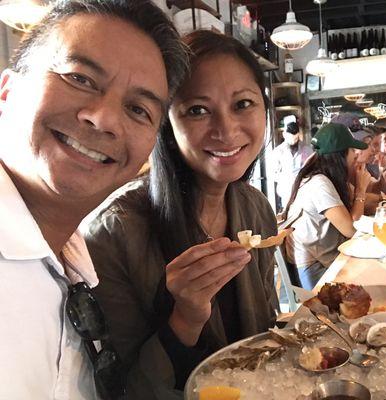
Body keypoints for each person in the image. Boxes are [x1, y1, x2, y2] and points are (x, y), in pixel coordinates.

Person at [0, 1, 186, 399]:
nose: (103, 119)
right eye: (80, 78)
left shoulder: (75, 261)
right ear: (7, 91)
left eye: (138, 109)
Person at [84, 31, 277, 398]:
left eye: (243, 104)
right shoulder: (111, 235)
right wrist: (185, 317)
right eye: (197, 110)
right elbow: (124, 390)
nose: (227, 129)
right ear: (166, 125)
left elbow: (265, 332)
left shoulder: (255, 207)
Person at [282, 123, 371, 289]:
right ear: (340, 155)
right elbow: (352, 229)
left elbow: (368, 202)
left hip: (328, 260)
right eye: (352, 150)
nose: (356, 156)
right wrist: (361, 190)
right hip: (317, 271)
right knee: (381, 280)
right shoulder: (319, 184)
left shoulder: (325, 178)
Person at [272, 120, 313, 210]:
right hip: (286, 191)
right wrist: (286, 178)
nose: (293, 141)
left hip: (304, 191)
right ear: (284, 135)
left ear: (298, 135)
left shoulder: (307, 150)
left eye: (295, 139)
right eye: (290, 138)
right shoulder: (278, 152)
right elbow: (274, 174)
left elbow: (312, 169)